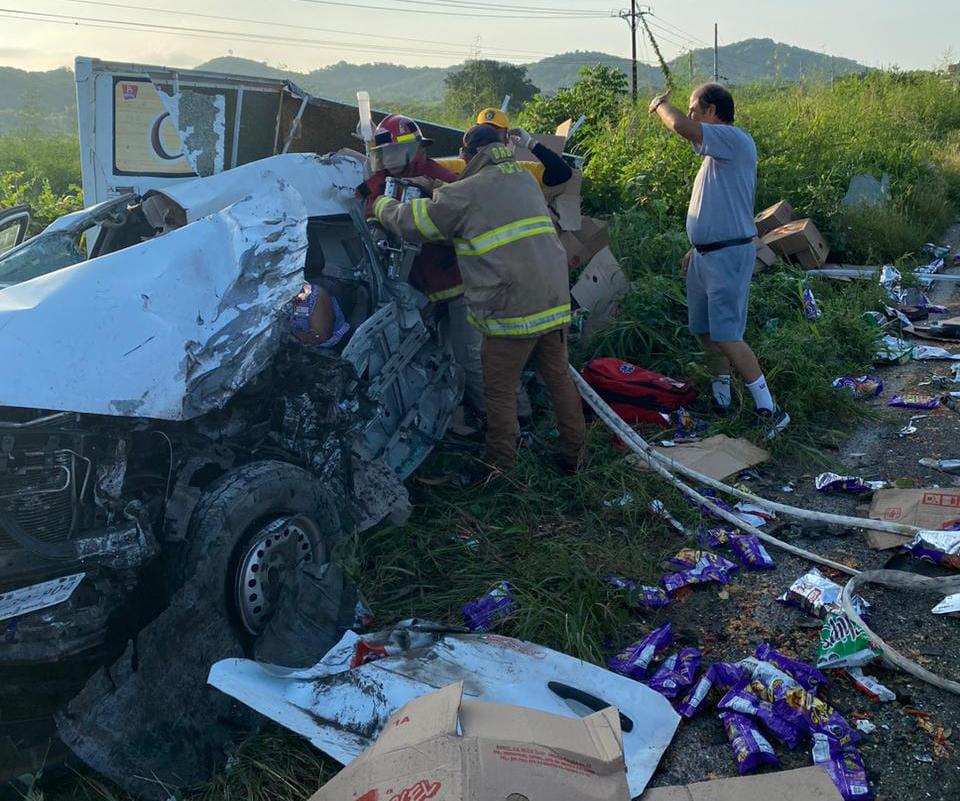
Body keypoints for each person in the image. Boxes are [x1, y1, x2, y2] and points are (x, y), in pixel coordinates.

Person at [373, 124, 586, 479]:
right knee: (558, 377)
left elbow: (416, 223)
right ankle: (575, 455)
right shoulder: (521, 179)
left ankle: (500, 468)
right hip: (554, 297)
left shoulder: (469, 192)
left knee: (498, 391)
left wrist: (381, 204)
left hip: (511, 308)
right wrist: (438, 188)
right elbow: (474, 200)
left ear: (469, 154)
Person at [649, 83, 789, 438]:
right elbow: (716, 205)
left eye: (696, 107)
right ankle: (722, 397)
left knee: (727, 335)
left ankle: (769, 409)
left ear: (713, 111)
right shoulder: (716, 156)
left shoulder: (733, 139)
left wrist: (661, 106)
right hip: (705, 255)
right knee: (705, 331)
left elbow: (681, 126)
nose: (691, 113)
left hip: (727, 255)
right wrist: (695, 247)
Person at [357, 114, 486, 414]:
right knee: (430, 352)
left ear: (416, 149)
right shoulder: (382, 182)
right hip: (420, 288)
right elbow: (370, 205)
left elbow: (462, 223)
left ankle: (497, 420)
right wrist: (375, 225)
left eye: (394, 153)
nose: (389, 162)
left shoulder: (442, 181)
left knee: (470, 356)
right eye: (383, 155)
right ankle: (449, 411)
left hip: (459, 285)